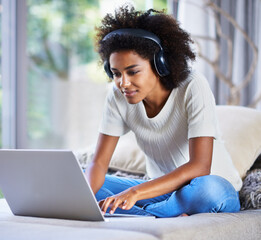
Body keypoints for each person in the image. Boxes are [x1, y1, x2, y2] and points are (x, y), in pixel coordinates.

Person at [85, 5, 241, 217]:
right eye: (116, 73)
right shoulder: (117, 95)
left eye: (133, 72)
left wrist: (135, 193)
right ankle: (163, 214)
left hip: (211, 188)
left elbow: (200, 166)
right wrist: (82, 198)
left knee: (208, 190)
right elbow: (99, 163)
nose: (124, 83)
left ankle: (144, 214)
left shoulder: (192, 85)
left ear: (160, 65)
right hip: (160, 192)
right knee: (83, 181)